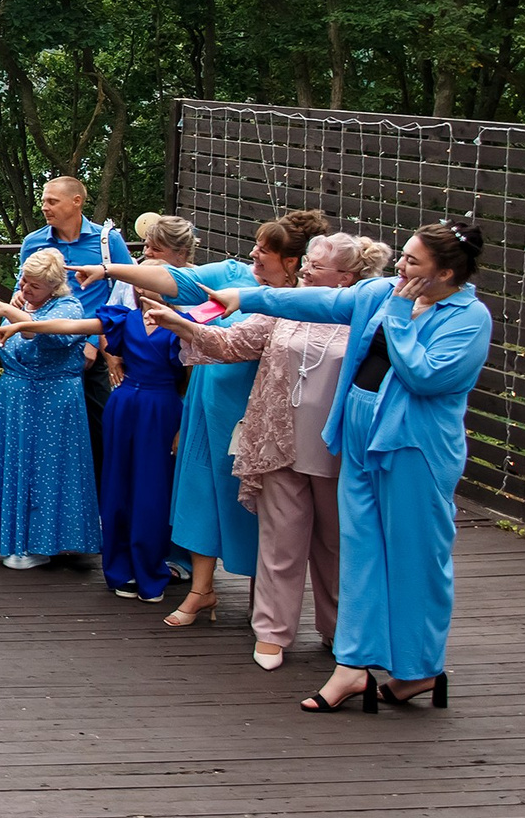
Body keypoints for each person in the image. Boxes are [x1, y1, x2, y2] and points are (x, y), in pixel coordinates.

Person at [218, 220, 490, 713]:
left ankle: (420, 670)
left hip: (413, 449)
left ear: (446, 273)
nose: (399, 267)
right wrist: (248, 298)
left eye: (412, 261)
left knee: (415, 560)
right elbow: (325, 303)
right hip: (359, 439)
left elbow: (424, 376)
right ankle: (352, 666)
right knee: (358, 554)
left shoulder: (468, 318)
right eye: (403, 255)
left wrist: (403, 317)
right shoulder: (384, 292)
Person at [151, 232, 390, 669]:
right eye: (308, 265)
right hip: (278, 441)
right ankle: (272, 632)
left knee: (336, 545)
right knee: (280, 541)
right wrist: (181, 324)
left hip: (337, 449)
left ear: (347, 278)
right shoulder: (286, 308)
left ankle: (340, 631)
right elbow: (230, 344)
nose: (307, 274)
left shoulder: (370, 316)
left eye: (317, 268)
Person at [76, 209, 327, 626]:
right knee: (199, 495)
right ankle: (201, 590)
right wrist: (107, 270)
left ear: (291, 261)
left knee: (258, 507)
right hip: (207, 399)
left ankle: (263, 601)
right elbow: (176, 281)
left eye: (264, 250)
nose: (254, 254)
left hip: (256, 410)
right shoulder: (232, 275)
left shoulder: (303, 300)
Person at [0, 217, 200, 600]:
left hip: (161, 406)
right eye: (137, 285)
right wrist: (27, 320)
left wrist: (182, 421)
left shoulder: (182, 324)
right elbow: (80, 328)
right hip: (125, 403)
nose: (140, 292)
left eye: (148, 285)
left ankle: (154, 569)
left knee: (154, 489)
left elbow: (189, 376)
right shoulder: (122, 318)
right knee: (118, 484)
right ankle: (120, 569)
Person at [0, 248, 99, 571]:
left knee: (48, 470)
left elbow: (46, 331)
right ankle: (16, 539)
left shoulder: (69, 307)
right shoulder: (24, 303)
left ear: (53, 286)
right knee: (18, 466)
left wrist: (11, 311)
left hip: (53, 400)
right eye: (23, 281)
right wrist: (18, 307)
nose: (24, 289)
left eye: (33, 286)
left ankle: (47, 543)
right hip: (17, 398)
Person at [17, 177, 135, 476]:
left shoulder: (107, 241)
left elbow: (124, 293)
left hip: (95, 350)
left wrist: (94, 343)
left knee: (101, 427)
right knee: (50, 430)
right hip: (49, 349)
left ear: (77, 201)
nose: (45, 207)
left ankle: (101, 501)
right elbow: (26, 291)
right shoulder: (33, 242)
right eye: (44, 201)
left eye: (52, 201)